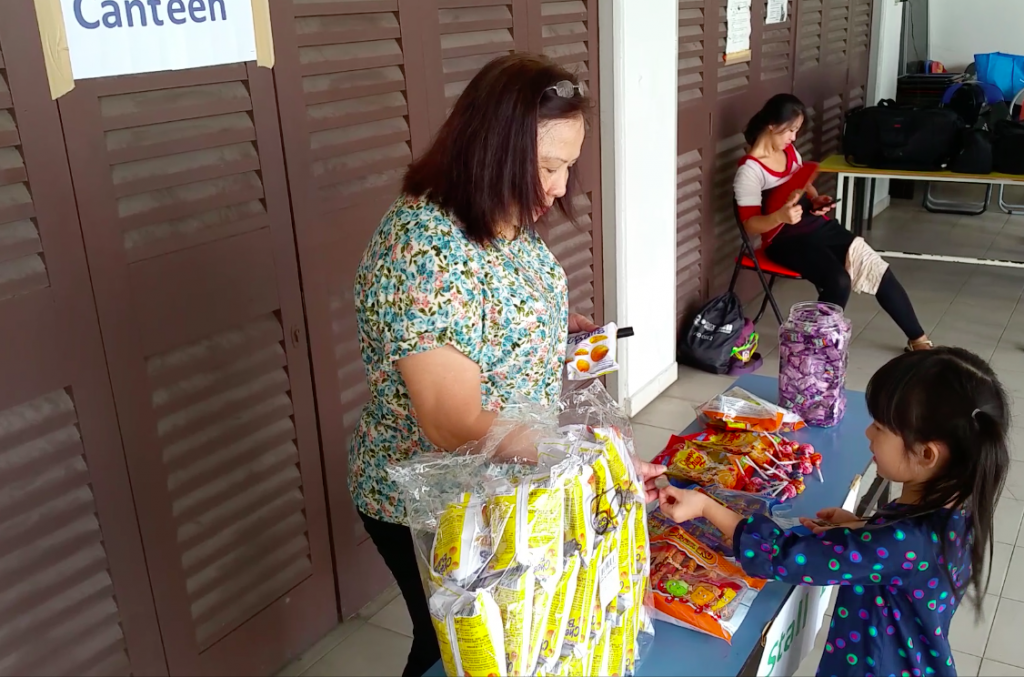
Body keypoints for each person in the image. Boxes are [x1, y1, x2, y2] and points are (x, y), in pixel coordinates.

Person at [350, 53, 665, 677]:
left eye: (568, 166)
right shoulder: (424, 248)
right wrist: (589, 463)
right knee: (454, 648)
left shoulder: (500, 214)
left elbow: (487, 315)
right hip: (440, 500)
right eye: (548, 167)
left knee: (516, 638)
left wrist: (549, 329)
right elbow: (453, 422)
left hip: (507, 479)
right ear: (491, 151)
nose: (560, 187)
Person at [658, 347, 1010, 676]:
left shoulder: (904, 543)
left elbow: (784, 556)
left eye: (880, 428)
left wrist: (705, 506)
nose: (868, 432)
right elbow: (901, 558)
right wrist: (863, 528)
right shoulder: (956, 507)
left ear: (927, 454)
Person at [735, 93, 933, 352]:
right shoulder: (750, 170)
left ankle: (918, 340)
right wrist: (779, 217)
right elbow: (750, 224)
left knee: (875, 266)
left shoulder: (789, 152)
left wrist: (816, 200)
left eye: (797, 130)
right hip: (784, 240)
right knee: (838, 281)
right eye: (791, 130)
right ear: (772, 125)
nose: (794, 137)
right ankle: (815, 350)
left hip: (817, 227)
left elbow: (804, 186)